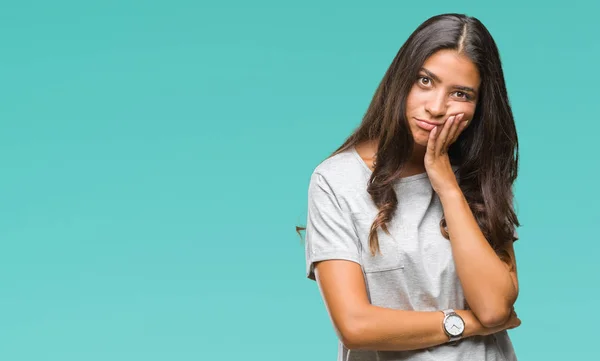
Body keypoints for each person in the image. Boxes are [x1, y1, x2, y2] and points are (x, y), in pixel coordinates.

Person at [297, 13, 522, 361]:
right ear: (401, 79)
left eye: (460, 93)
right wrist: (463, 323)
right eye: (425, 81)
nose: (436, 107)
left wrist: (446, 184)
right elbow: (355, 326)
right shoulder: (336, 180)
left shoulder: (477, 174)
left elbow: (494, 309)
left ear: (479, 107)